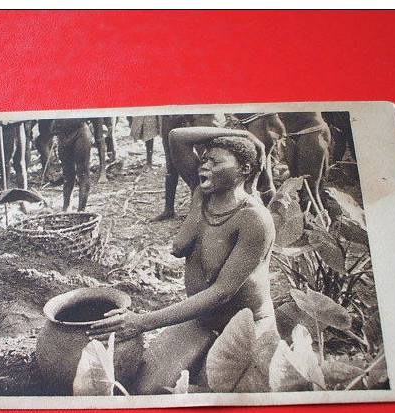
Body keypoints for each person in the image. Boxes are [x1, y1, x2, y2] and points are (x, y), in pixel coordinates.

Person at [89, 126, 281, 394]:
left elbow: (222, 293)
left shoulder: (254, 219)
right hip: (202, 319)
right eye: (204, 159)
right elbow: (177, 138)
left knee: (215, 393)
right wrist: (245, 135)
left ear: (244, 170)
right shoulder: (201, 193)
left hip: (248, 325)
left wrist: (142, 321)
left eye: (216, 161)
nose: (205, 165)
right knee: (146, 391)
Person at [152, 114, 226, 221]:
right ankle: (169, 210)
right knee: (171, 162)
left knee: (208, 159)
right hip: (172, 110)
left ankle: (205, 211)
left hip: (201, 108)